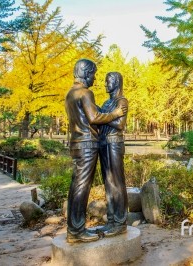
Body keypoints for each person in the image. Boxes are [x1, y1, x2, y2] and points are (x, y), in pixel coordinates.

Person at [65, 59, 127, 243]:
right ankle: (76, 230)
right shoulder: (85, 93)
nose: (96, 78)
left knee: (79, 185)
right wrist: (115, 114)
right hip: (87, 143)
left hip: (81, 143)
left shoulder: (70, 93)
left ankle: (76, 228)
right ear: (86, 72)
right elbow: (94, 117)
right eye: (93, 74)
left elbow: (95, 116)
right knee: (81, 187)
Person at [97, 72, 128, 237]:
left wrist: (102, 117)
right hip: (103, 143)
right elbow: (102, 121)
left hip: (114, 144)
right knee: (108, 183)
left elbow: (120, 124)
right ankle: (111, 220)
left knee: (117, 182)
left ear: (116, 82)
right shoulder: (106, 103)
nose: (105, 84)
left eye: (108, 81)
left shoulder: (121, 101)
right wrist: (103, 116)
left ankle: (120, 222)